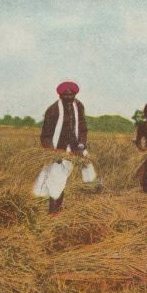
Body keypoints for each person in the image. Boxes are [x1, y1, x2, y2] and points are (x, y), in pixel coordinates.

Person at [36, 81, 95, 214]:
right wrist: (53, 153)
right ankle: (53, 213)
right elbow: (45, 136)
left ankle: (59, 208)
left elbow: (82, 127)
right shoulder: (53, 110)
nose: (69, 98)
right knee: (56, 179)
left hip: (74, 148)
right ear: (60, 95)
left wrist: (80, 145)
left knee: (79, 176)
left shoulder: (78, 106)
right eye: (66, 95)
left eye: (71, 95)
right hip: (58, 149)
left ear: (75, 94)